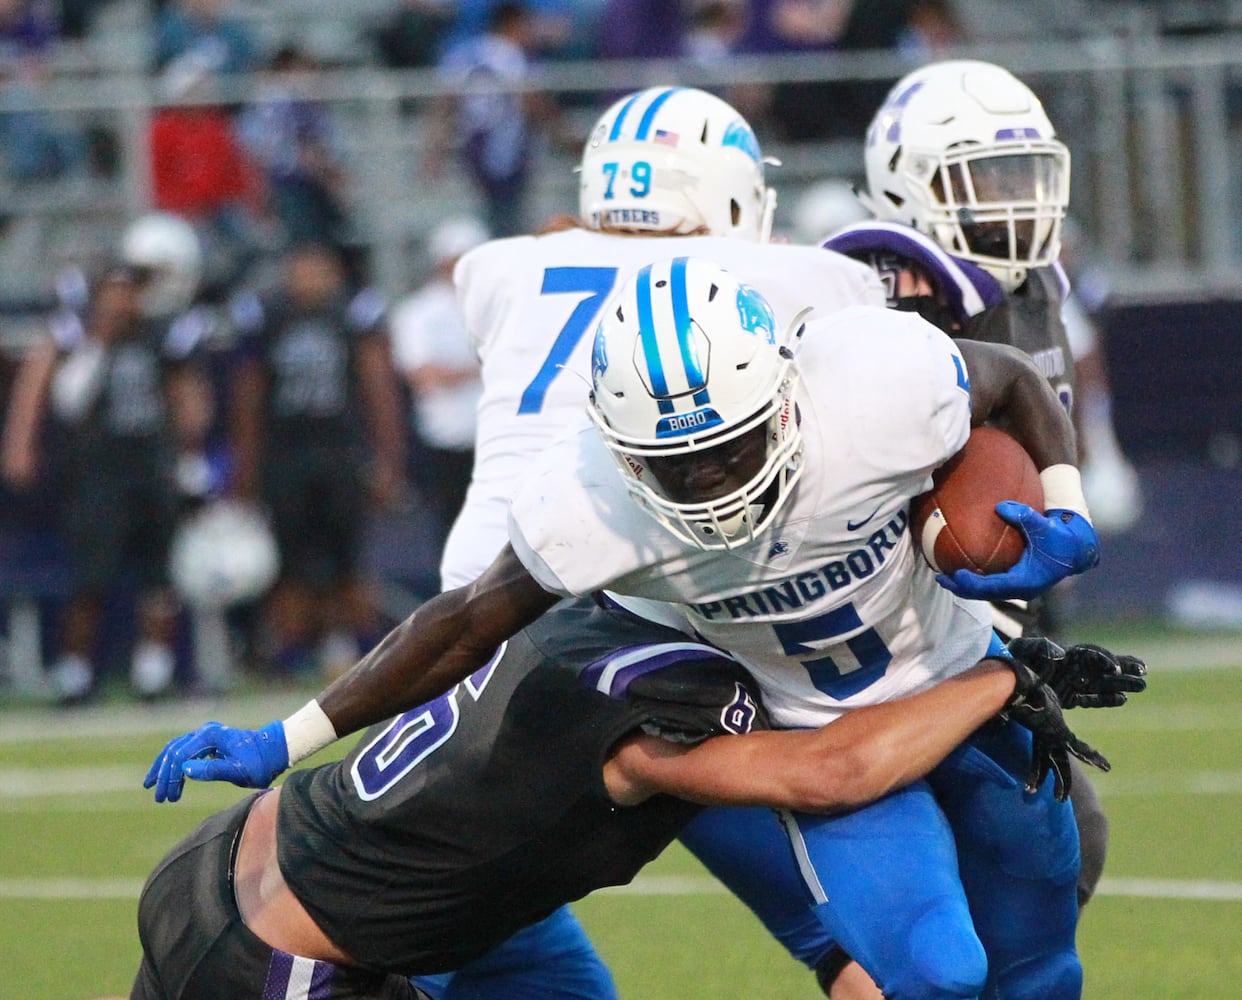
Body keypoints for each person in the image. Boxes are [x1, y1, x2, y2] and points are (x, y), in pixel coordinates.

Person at [147, 247, 1116, 1000]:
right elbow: (460, 622)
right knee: (939, 974)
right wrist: (293, 730)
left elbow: (1009, 376)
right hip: (840, 732)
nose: (704, 484)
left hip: (953, 677)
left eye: (724, 450)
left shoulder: (876, 378)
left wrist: (1064, 500)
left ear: (781, 396)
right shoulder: (595, 519)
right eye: (674, 464)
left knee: (1040, 965)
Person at [133, 594, 1137, 1000]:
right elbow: (826, 770)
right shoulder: (650, 724)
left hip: (229, 863)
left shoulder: (591, 615)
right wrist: (1000, 677)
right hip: (280, 958)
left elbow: (457, 622)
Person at [1, 266, 203, 701]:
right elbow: (66, 399)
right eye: (112, 293)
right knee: (90, 577)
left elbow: (185, 398)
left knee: (159, 578)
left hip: (151, 469)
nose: (120, 302)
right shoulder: (82, 340)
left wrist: (191, 454)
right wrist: (19, 445)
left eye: (127, 292)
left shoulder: (158, 336)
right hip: (97, 474)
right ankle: (75, 674)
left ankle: (153, 672)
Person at [227, 243, 406, 679]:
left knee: (349, 560)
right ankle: (293, 656)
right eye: (302, 266)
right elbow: (247, 397)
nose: (310, 276)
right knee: (289, 563)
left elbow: (379, 389)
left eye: (318, 266)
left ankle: (363, 657)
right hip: (285, 455)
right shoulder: (268, 315)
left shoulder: (351, 313)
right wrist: (245, 468)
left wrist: (388, 459)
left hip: (341, 453)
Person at [388, 215, 490, 582]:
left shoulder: (493, 303)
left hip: (491, 437)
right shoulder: (418, 312)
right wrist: (483, 367)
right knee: (454, 539)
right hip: (446, 439)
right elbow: (423, 375)